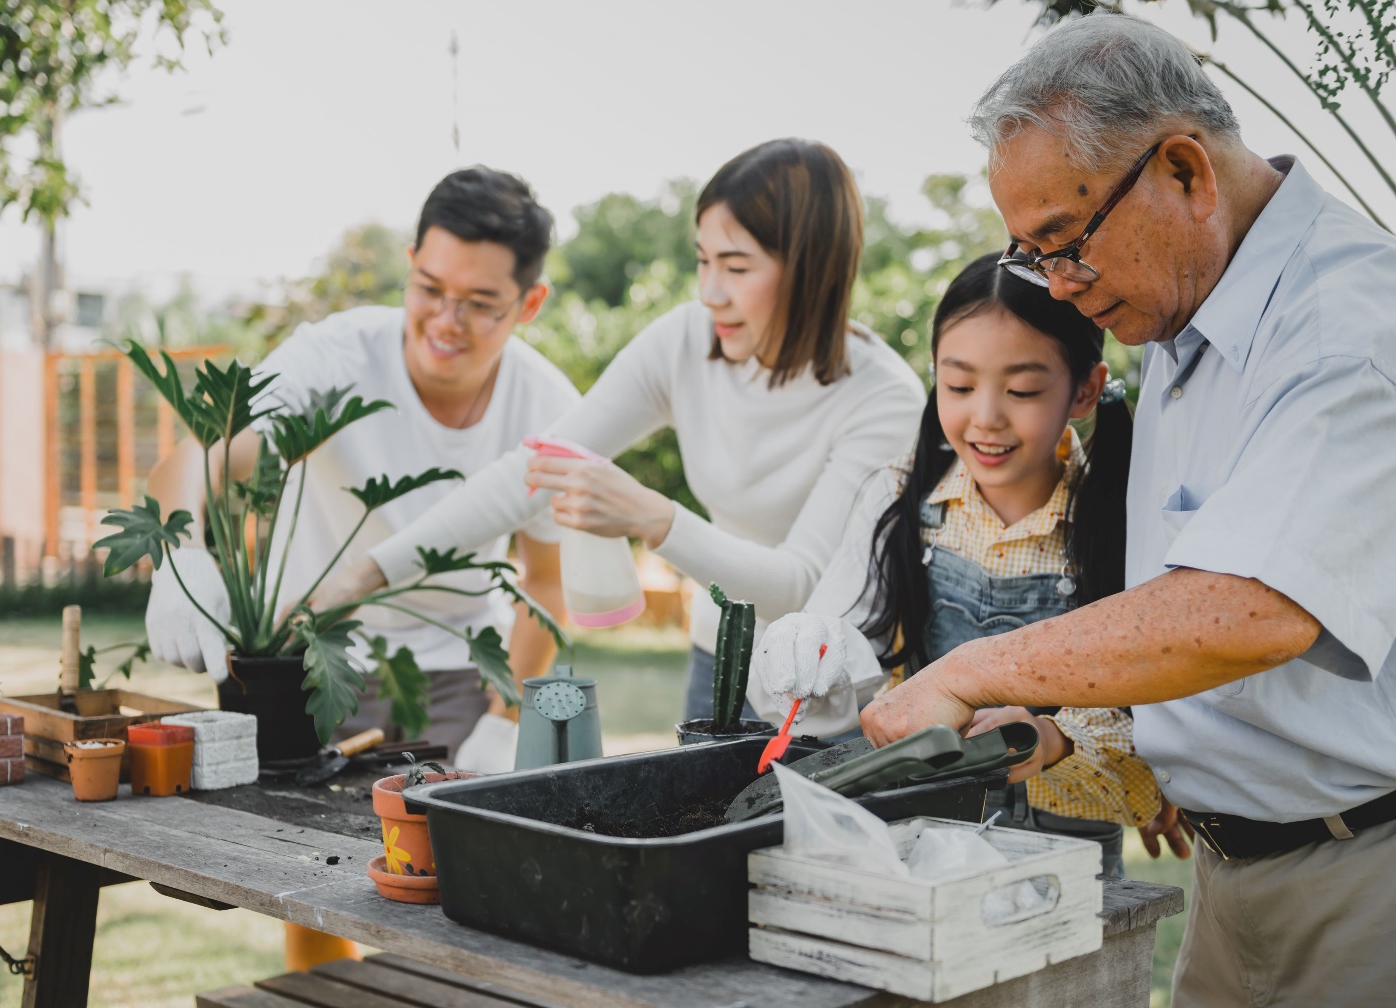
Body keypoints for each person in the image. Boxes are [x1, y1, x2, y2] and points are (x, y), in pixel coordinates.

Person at [858, 14, 1396, 1007]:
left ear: (1183, 170)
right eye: (1029, 253)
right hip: (1229, 875)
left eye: (1065, 245)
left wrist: (975, 665)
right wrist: (1064, 727)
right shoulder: (1184, 303)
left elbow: (1251, 606)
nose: (1057, 285)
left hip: (1362, 876)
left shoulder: (1346, 331)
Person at [305, 139, 927, 747]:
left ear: (813, 267)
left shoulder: (883, 400)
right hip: (720, 660)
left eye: (736, 268)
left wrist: (653, 519)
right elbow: (528, 472)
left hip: (834, 699)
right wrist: (366, 574)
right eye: (703, 260)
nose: (710, 291)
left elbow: (799, 587)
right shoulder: (687, 340)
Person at [142, 166, 578, 771]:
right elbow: (202, 454)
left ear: (529, 303)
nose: (446, 321)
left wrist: (503, 722)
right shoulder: (332, 355)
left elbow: (547, 583)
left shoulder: (549, 407)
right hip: (309, 659)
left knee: (440, 857)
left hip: (461, 674)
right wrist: (180, 554)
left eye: (480, 304)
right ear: (410, 262)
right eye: (429, 288)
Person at [749, 252, 1158, 877]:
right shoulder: (900, 497)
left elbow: (1158, 714)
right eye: (960, 386)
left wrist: (1052, 739)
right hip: (925, 825)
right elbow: (840, 649)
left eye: (1021, 390)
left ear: (1086, 388)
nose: (986, 417)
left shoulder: (1126, 515)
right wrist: (812, 645)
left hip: (1069, 850)